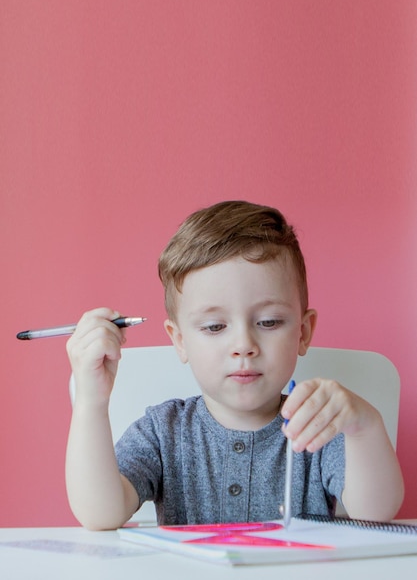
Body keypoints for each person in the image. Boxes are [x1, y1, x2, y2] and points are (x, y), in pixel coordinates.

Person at [65, 200, 404, 530]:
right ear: (180, 340)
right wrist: (90, 401)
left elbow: (376, 512)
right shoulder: (162, 431)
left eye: (269, 322)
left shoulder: (317, 426)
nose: (244, 345)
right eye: (215, 327)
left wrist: (364, 425)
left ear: (302, 332)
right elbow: (100, 514)